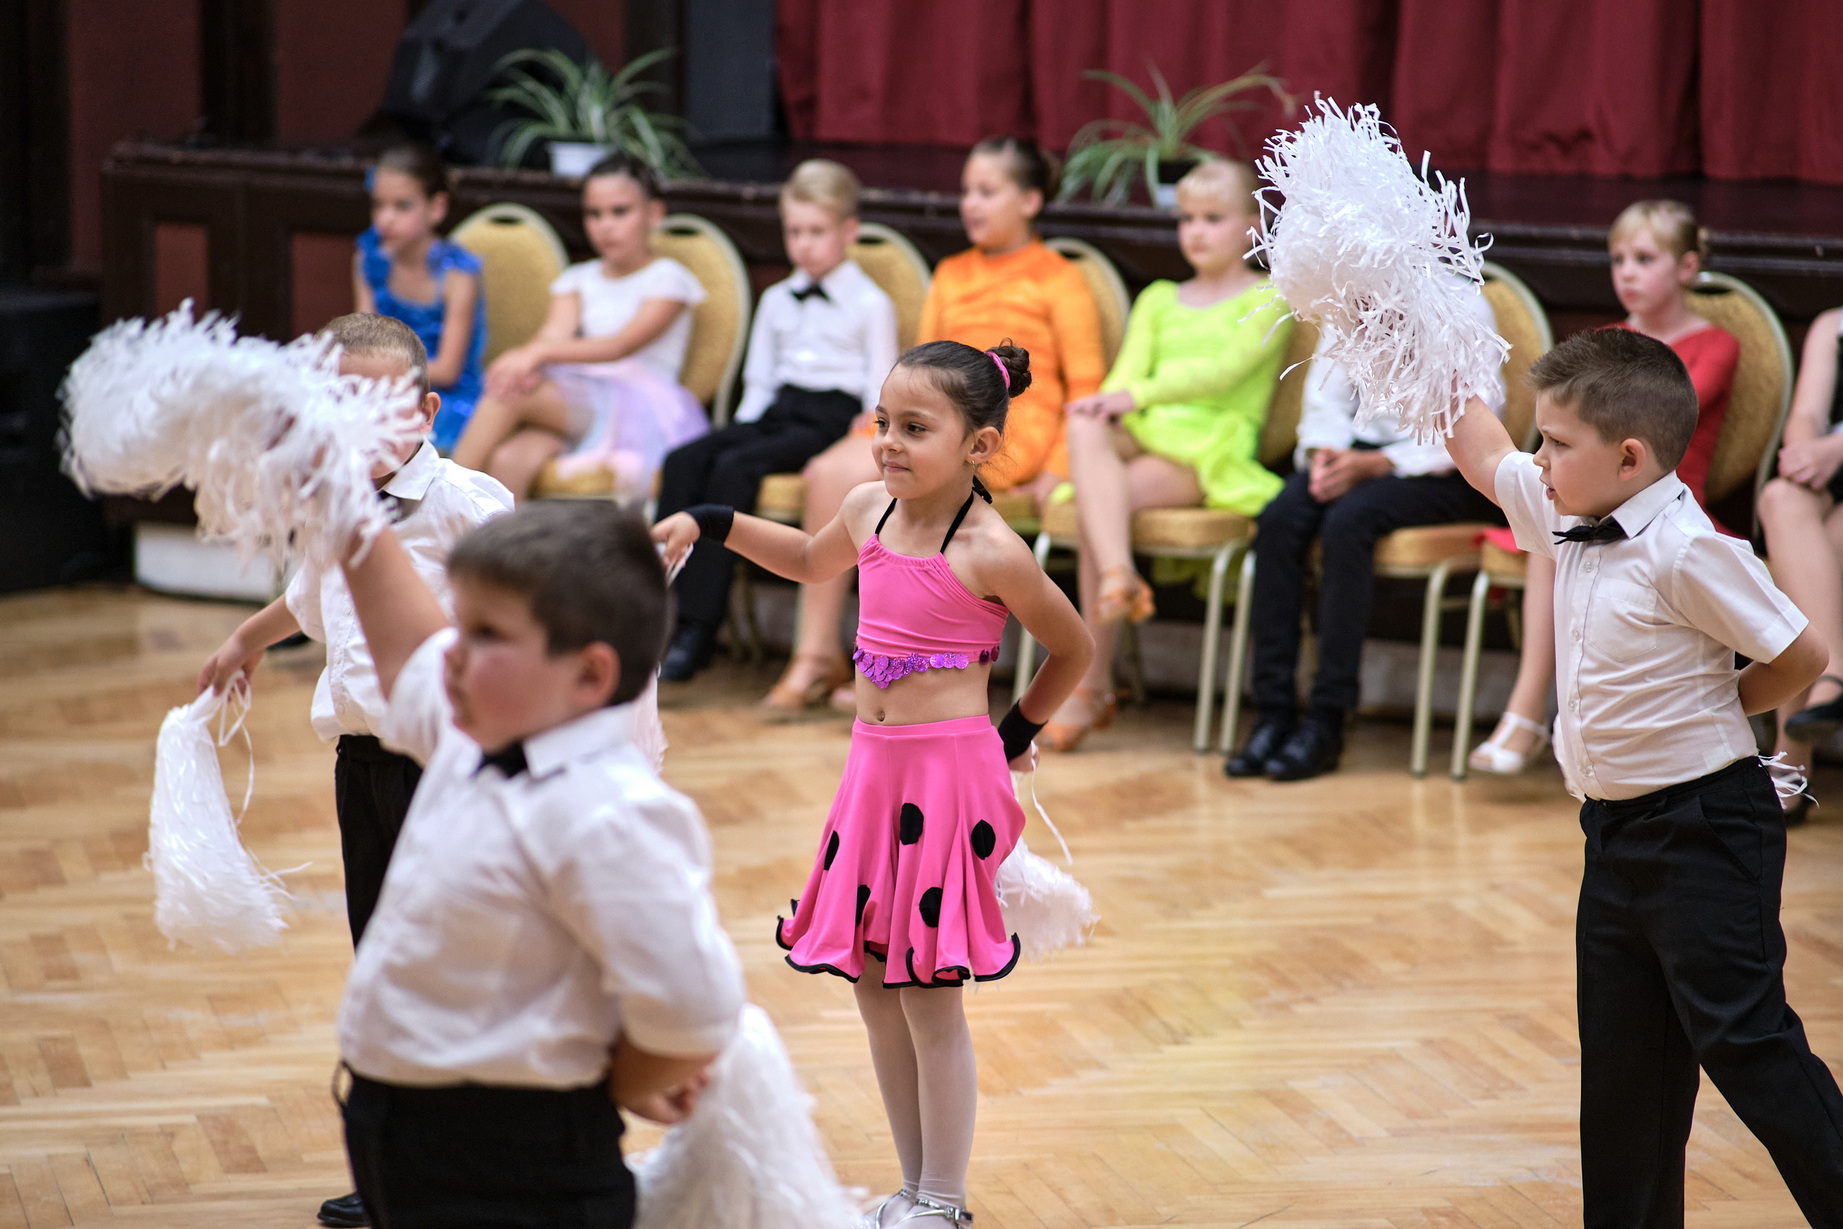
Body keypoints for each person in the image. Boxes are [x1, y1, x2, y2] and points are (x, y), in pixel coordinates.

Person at [653, 341, 1093, 1228]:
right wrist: (710, 519)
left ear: (977, 446)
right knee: (873, 984)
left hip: (947, 781)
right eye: (883, 422)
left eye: (915, 428)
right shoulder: (866, 509)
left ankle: (944, 1197)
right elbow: (807, 559)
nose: (888, 442)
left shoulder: (992, 548)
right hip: (871, 775)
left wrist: (1011, 736)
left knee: (927, 992)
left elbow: (1072, 646)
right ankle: (913, 1184)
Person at [1445, 326, 1843, 1226]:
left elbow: (1801, 652)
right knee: (1624, 1068)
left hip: (1705, 828)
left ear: (1628, 457)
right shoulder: (1568, 503)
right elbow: (1481, 452)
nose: (1537, 458)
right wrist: (1406, 327)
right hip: (1614, 833)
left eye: (1555, 441)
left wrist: (1718, 705)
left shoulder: (1686, 548)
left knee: (1746, 1043)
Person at [332, 497, 746, 1227]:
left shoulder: (611, 811)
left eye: (486, 634)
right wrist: (340, 495)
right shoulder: (475, 733)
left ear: (589, 674)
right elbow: (410, 653)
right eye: (460, 623)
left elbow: (694, 1012)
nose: (453, 651)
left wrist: (602, 1086)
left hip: (521, 1166)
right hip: (397, 1135)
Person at [196, 314, 513, 1229]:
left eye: (380, 404)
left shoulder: (465, 502)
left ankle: (472, 1161)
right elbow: (310, 595)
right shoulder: (331, 502)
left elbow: (529, 607)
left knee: (447, 959)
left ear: (428, 411)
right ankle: (398, 1165)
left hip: (445, 769)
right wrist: (246, 639)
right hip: (362, 764)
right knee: (380, 957)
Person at [762, 137, 1105, 716]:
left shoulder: (1061, 278)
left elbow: (1087, 387)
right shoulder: (950, 271)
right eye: (967, 191)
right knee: (829, 472)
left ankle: (903, 665)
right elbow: (920, 363)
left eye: (987, 191)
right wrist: (887, 419)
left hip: (1008, 431)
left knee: (896, 480)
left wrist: (1058, 468)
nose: (971, 204)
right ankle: (816, 654)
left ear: (1029, 200)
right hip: (926, 419)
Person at [1471, 200, 1740, 776]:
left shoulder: (1716, 343)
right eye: (1618, 259)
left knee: (1566, 529)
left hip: (1666, 509)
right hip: (1591, 501)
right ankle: (1529, 710)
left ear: (1687, 266)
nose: (1627, 272)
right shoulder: (1604, 342)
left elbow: (1652, 416)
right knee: (1558, 530)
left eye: (1644, 258)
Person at [1044, 159, 1292, 750]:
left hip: (1205, 444)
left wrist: (1134, 396)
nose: (1196, 231)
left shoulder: (1270, 299)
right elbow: (1123, 378)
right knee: (1085, 425)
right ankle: (1118, 574)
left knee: (1098, 507)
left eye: (1213, 218)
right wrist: (1111, 402)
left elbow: (1221, 372)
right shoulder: (1158, 298)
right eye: (1186, 219)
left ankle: (1091, 683)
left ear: (1253, 225)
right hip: (1146, 428)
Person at [1223, 288, 1506, 782]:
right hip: (1352, 451)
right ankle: (1272, 711)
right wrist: (1326, 456)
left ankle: (1329, 718)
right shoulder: (1348, 290)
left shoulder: (1459, 300)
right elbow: (1324, 395)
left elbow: (1481, 419)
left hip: (1434, 466)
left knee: (1348, 524)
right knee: (1279, 520)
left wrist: (1380, 463)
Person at [654, 159, 898, 683]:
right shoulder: (776, 298)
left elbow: (878, 391)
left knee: (734, 471)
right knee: (684, 460)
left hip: (829, 421)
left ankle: (699, 629)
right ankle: (660, 611)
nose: (803, 244)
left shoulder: (870, 303)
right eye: (794, 231)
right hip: (777, 412)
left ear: (848, 231)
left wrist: (845, 443)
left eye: (816, 231)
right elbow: (759, 383)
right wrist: (737, 432)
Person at [452, 154, 707, 502]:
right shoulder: (578, 279)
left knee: (508, 396)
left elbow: (619, 345)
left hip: (641, 410)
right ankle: (500, 539)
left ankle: (438, 502)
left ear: (654, 213)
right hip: (580, 400)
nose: (605, 225)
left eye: (620, 212)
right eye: (594, 214)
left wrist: (534, 354)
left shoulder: (668, 279)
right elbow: (552, 336)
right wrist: (529, 363)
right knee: (510, 459)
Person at [1757, 305, 1843, 821]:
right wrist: (1805, 451)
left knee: (1823, 545)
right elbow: (1806, 412)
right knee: (1780, 499)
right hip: (1829, 479)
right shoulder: (1832, 324)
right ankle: (1833, 675)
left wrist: (1835, 449)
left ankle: (1791, 761)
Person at [353, 144, 486, 454]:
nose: (385, 219)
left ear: (436, 207)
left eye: (402, 206)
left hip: (443, 399)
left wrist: (380, 370)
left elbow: (448, 369)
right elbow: (361, 341)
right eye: (378, 205)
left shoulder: (458, 274)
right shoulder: (369, 259)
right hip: (382, 391)